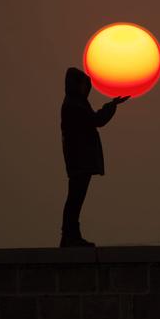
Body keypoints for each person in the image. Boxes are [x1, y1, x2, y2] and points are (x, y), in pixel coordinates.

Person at [59, 67, 130, 247]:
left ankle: (70, 235)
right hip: (79, 160)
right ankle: (70, 236)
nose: (86, 88)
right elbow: (96, 121)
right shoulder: (74, 104)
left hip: (79, 160)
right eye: (83, 84)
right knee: (75, 198)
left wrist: (111, 106)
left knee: (75, 198)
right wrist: (111, 106)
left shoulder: (77, 103)